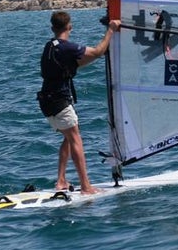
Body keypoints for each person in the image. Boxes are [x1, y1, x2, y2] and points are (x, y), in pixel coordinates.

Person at [38, 12, 120, 194]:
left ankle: (61, 181)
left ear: (52, 28)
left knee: (68, 137)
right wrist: (111, 30)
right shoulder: (67, 48)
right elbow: (98, 52)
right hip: (59, 100)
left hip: (46, 101)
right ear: (70, 27)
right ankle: (86, 186)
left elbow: (75, 64)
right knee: (75, 138)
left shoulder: (49, 47)